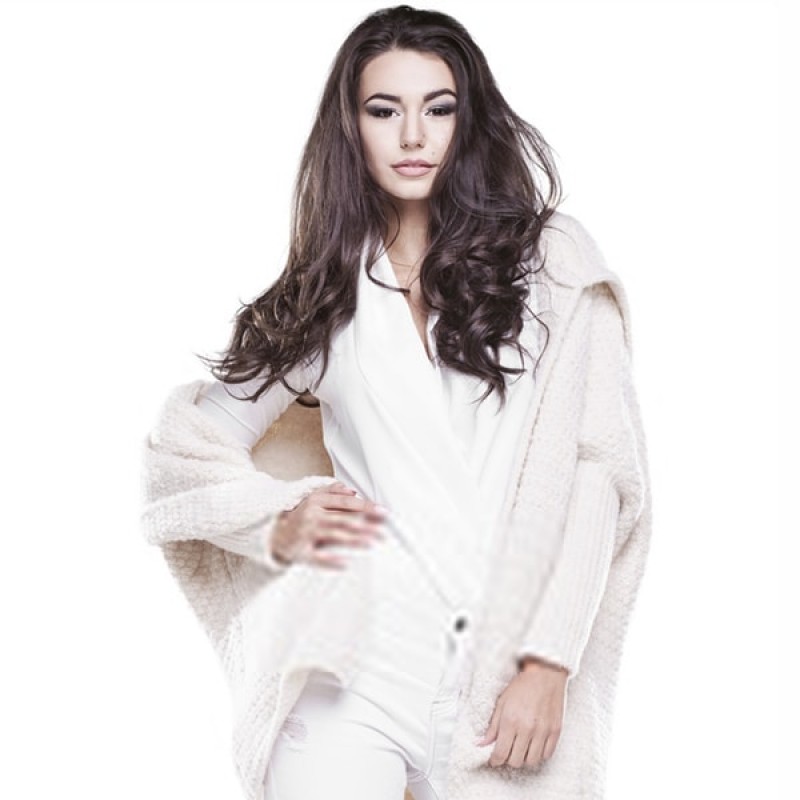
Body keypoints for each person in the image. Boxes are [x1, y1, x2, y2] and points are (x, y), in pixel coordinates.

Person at [140, 5, 651, 800]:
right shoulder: (327, 294)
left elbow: (599, 470)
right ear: (352, 127)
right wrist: (273, 521)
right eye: (384, 111)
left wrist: (550, 660)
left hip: (502, 684)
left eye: (438, 108)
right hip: (356, 669)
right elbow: (183, 453)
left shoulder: (553, 262)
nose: (413, 135)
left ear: (468, 120)